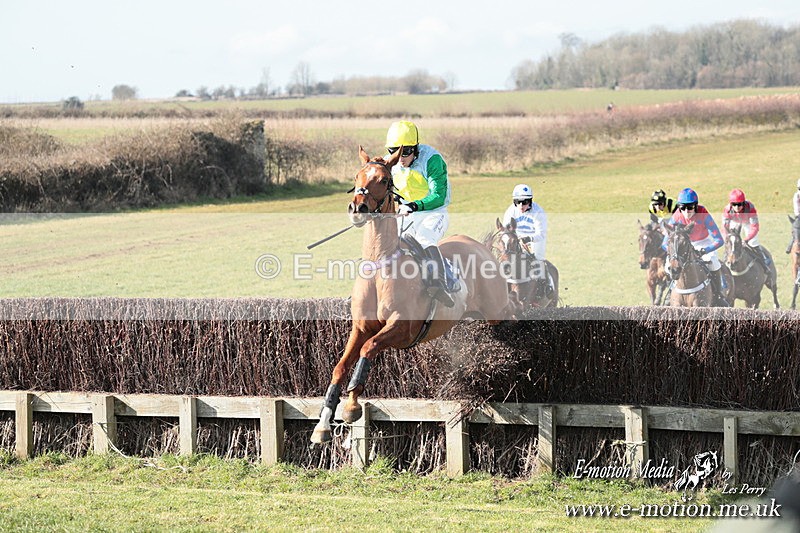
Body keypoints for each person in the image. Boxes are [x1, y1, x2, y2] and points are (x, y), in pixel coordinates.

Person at [386, 120, 456, 307]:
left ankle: (440, 283)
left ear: (416, 148)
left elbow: (439, 196)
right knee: (388, 243)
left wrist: (415, 206)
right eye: (395, 151)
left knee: (425, 239)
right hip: (407, 213)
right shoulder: (391, 163)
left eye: (406, 152)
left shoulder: (432, 160)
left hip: (434, 212)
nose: (401, 158)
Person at [666, 187, 729, 306]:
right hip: (681, 246)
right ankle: (670, 293)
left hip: (702, 243)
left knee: (713, 262)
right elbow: (665, 243)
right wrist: (673, 254)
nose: (686, 211)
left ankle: (718, 295)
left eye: (690, 207)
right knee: (667, 266)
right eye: (683, 207)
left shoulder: (703, 213)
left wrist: (705, 251)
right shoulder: (676, 216)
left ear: (695, 206)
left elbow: (719, 240)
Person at [502, 184, 553, 297]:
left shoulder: (538, 212)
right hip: (516, 239)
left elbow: (541, 233)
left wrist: (529, 239)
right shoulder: (510, 211)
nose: (521, 205)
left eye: (524, 202)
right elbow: (506, 231)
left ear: (530, 201)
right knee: (507, 259)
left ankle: (547, 285)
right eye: (517, 201)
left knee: (538, 260)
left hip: (534, 240)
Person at [722, 188, 771, 267]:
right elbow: (725, 228)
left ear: (744, 203)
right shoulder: (727, 209)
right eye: (734, 204)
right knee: (730, 243)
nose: (737, 207)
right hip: (734, 222)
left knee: (753, 242)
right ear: (731, 204)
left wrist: (747, 239)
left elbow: (755, 227)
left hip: (748, 222)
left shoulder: (750, 207)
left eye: (740, 204)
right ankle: (725, 262)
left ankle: (764, 261)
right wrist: (727, 238)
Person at [788, 178, 800, 254]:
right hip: (799, 216)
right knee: (796, 228)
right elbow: (796, 209)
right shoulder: (797, 196)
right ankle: (791, 245)